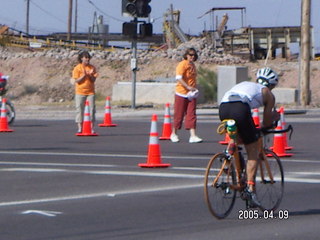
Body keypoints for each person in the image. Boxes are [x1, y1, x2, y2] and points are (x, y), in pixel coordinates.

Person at [219, 67, 280, 207]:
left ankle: (229, 158)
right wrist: (271, 123)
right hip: (240, 109)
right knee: (252, 149)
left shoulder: (246, 84)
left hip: (223, 107)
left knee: (236, 138)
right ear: (272, 85)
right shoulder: (268, 94)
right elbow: (266, 121)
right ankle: (250, 189)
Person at [170, 48, 203, 143]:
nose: (192, 57)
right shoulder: (182, 64)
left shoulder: (193, 65)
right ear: (186, 55)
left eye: (193, 55)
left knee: (191, 114)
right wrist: (187, 86)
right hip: (181, 93)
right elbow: (179, 78)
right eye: (190, 55)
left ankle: (193, 135)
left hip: (191, 94)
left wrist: (193, 88)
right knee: (179, 114)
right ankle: (174, 133)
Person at [72, 51, 98, 133]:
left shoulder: (92, 68)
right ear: (81, 58)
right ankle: (80, 127)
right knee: (79, 109)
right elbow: (77, 81)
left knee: (92, 109)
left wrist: (90, 75)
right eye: (85, 57)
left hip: (90, 92)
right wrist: (83, 75)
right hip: (80, 92)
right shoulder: (77, 68)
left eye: (88, 58)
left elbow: (94, 80)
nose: (87, 59)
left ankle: (91, 127)